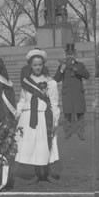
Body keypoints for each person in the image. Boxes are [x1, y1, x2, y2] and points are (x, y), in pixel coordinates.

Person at [15, 49, 60, 182]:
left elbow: (54, 102)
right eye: (34, 65)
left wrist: (55, 118)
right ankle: (36, 174)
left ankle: (46, 174)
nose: (37, 67)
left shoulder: (50, 82)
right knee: (33, 144)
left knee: (44, 144)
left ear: (43, 65)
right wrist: (18, 112)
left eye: (40, 64)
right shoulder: (26, 82)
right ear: (30, 65)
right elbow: (23, 99)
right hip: (28, 117)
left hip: (44, 116)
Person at [54, 43, 90, 140]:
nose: (70, 56)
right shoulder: (62, 65)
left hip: (78, 92)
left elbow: (87, 75)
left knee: (80, 113)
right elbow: (56, 79)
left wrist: (76, 70)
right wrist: (61, 70)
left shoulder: (80, 65)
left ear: (75, 54)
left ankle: (81, 132)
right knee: (67, 114)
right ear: (66, 54)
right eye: (68, 54)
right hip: (67, 93)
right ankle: (67, 132)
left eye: (72, 54)